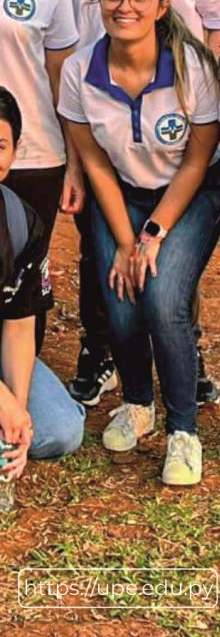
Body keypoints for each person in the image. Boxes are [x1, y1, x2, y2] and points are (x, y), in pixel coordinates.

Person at [38, 0, 220, 407]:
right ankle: (100, 352)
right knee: (103, 245)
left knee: (174, 261)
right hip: (99, 129)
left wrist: (212, 117)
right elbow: (57, 49)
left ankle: (186, 350)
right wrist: (75, 159)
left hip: (179, 131)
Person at [57, 0, 220, 486]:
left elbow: (199, 159)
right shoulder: (78, 71)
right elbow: (95, 164)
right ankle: (138, 403)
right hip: (123, 192)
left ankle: (183, 428)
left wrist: (152, 235)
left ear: (162, 6)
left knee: (160, 296)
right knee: (121, 294)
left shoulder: (194, 66)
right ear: (99, 2)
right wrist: (125, 241)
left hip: (193, 192)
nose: (124, 6)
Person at [0, 0, 83, 353]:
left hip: (33, 156)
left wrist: (73, 161)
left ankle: (20, 385)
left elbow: (61, 74)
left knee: (21, 272)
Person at [0, 87, 85, 483]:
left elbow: (19, 324)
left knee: (58, 431)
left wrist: (15, 414)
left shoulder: (21, 221)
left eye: (0, 145)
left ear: (14, 153)